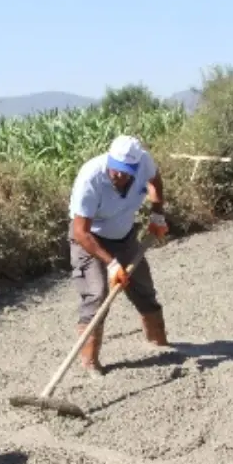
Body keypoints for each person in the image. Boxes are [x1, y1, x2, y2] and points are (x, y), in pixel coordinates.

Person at [68, 134, 170, 374]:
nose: (119, 175)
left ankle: (159, 342)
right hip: (90, 239)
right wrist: (112, 264)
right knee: (97, 294)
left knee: (143, 287)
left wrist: (157, 212)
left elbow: (155, 180)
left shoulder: (144, 161)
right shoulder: (90, 177)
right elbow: (81, 232)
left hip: (124, 236)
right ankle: (90, 361)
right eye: (116, 169)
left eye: (126, 171)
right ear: (109, 160)